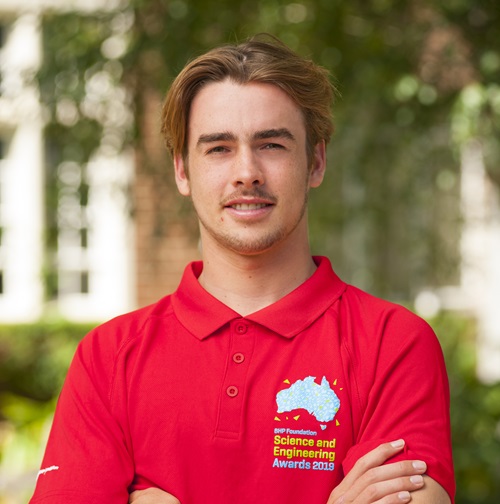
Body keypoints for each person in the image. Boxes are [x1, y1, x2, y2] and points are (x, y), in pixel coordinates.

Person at [30, 35, 455, 504]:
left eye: (271, 144)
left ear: (315, 162)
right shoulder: (109, 359)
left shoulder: (392, 344)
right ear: (182, 171)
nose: (247, 172)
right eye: (218, 149)